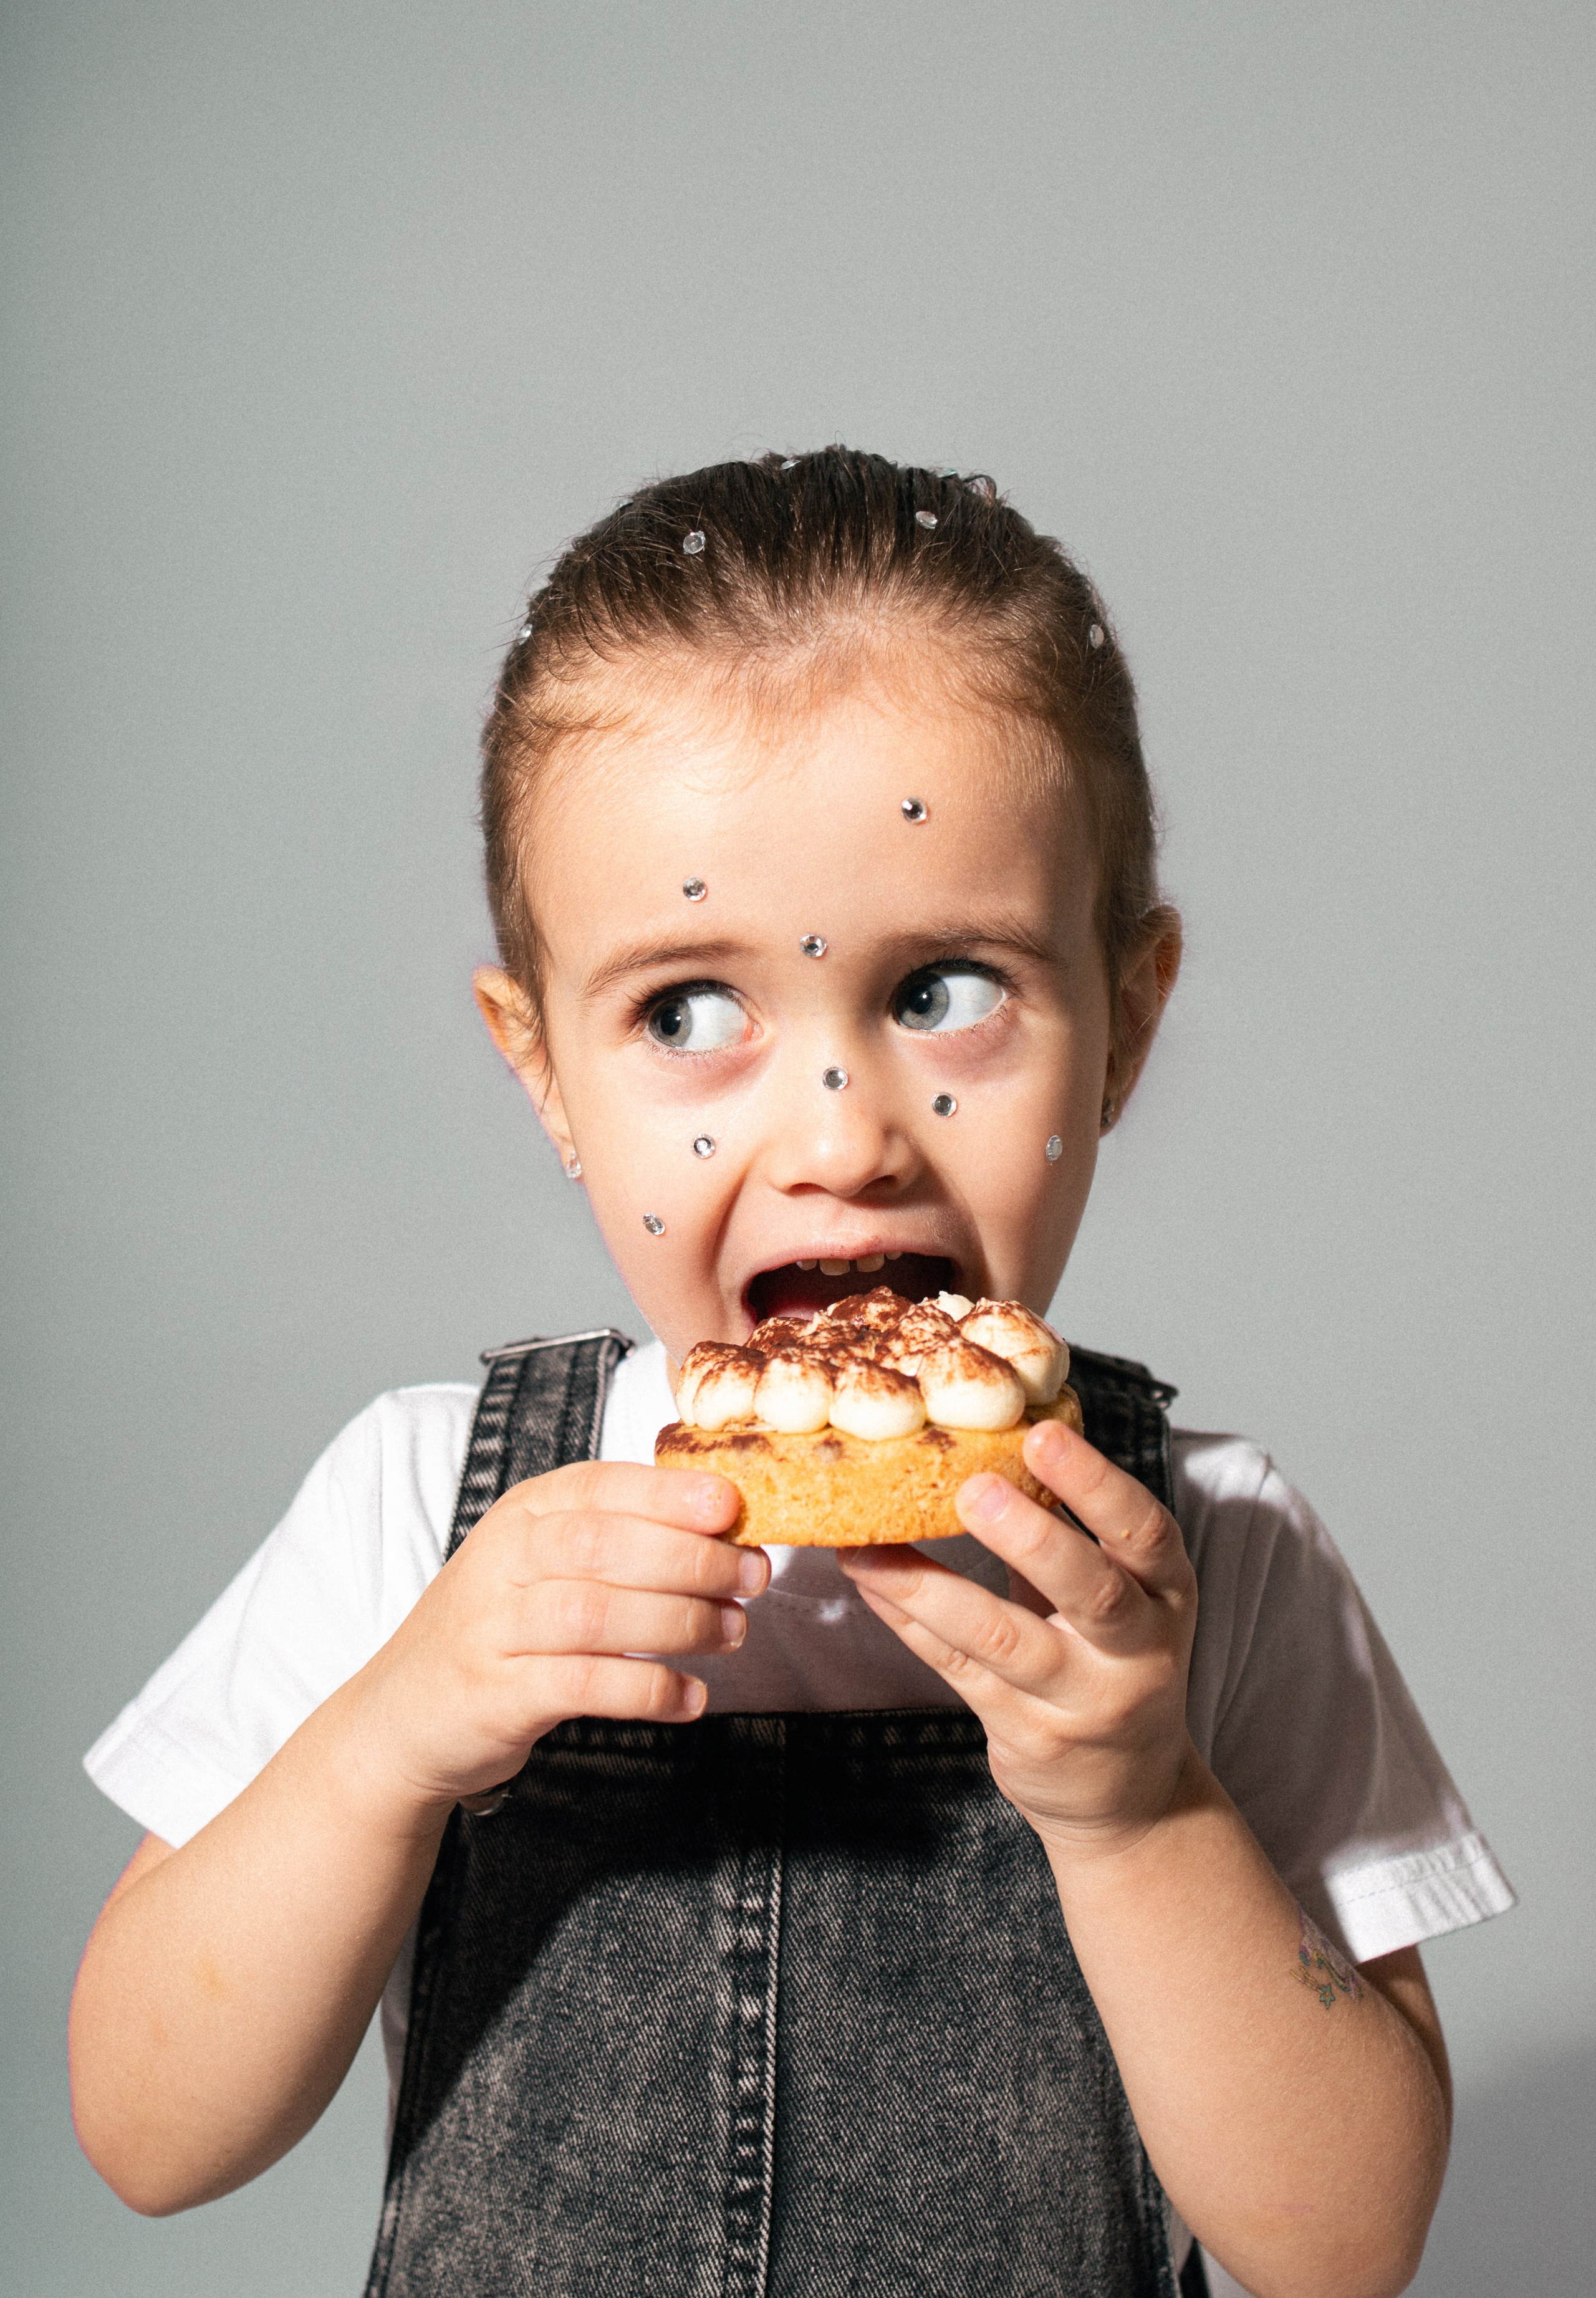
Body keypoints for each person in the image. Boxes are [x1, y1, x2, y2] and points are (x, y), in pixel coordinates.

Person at [69, 450, 1514, 2298]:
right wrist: (392, 1737)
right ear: (543, 1072)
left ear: (1126, 1024)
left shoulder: (1214, 1554)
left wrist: (1143, 1811)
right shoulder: (418, 1508)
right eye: (687, 1011)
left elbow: (1347, 2244)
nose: (842, 1138)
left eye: (943, 991)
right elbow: (147, 2129)